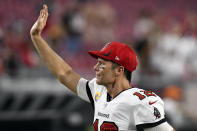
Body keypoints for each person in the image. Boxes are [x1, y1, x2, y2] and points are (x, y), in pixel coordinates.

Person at [30, 5, 175, 131]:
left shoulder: (141, 102)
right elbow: (65, 74)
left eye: (102, 64)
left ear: (119, 70)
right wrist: (37, 37)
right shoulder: (98, 91)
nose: (95, 67)